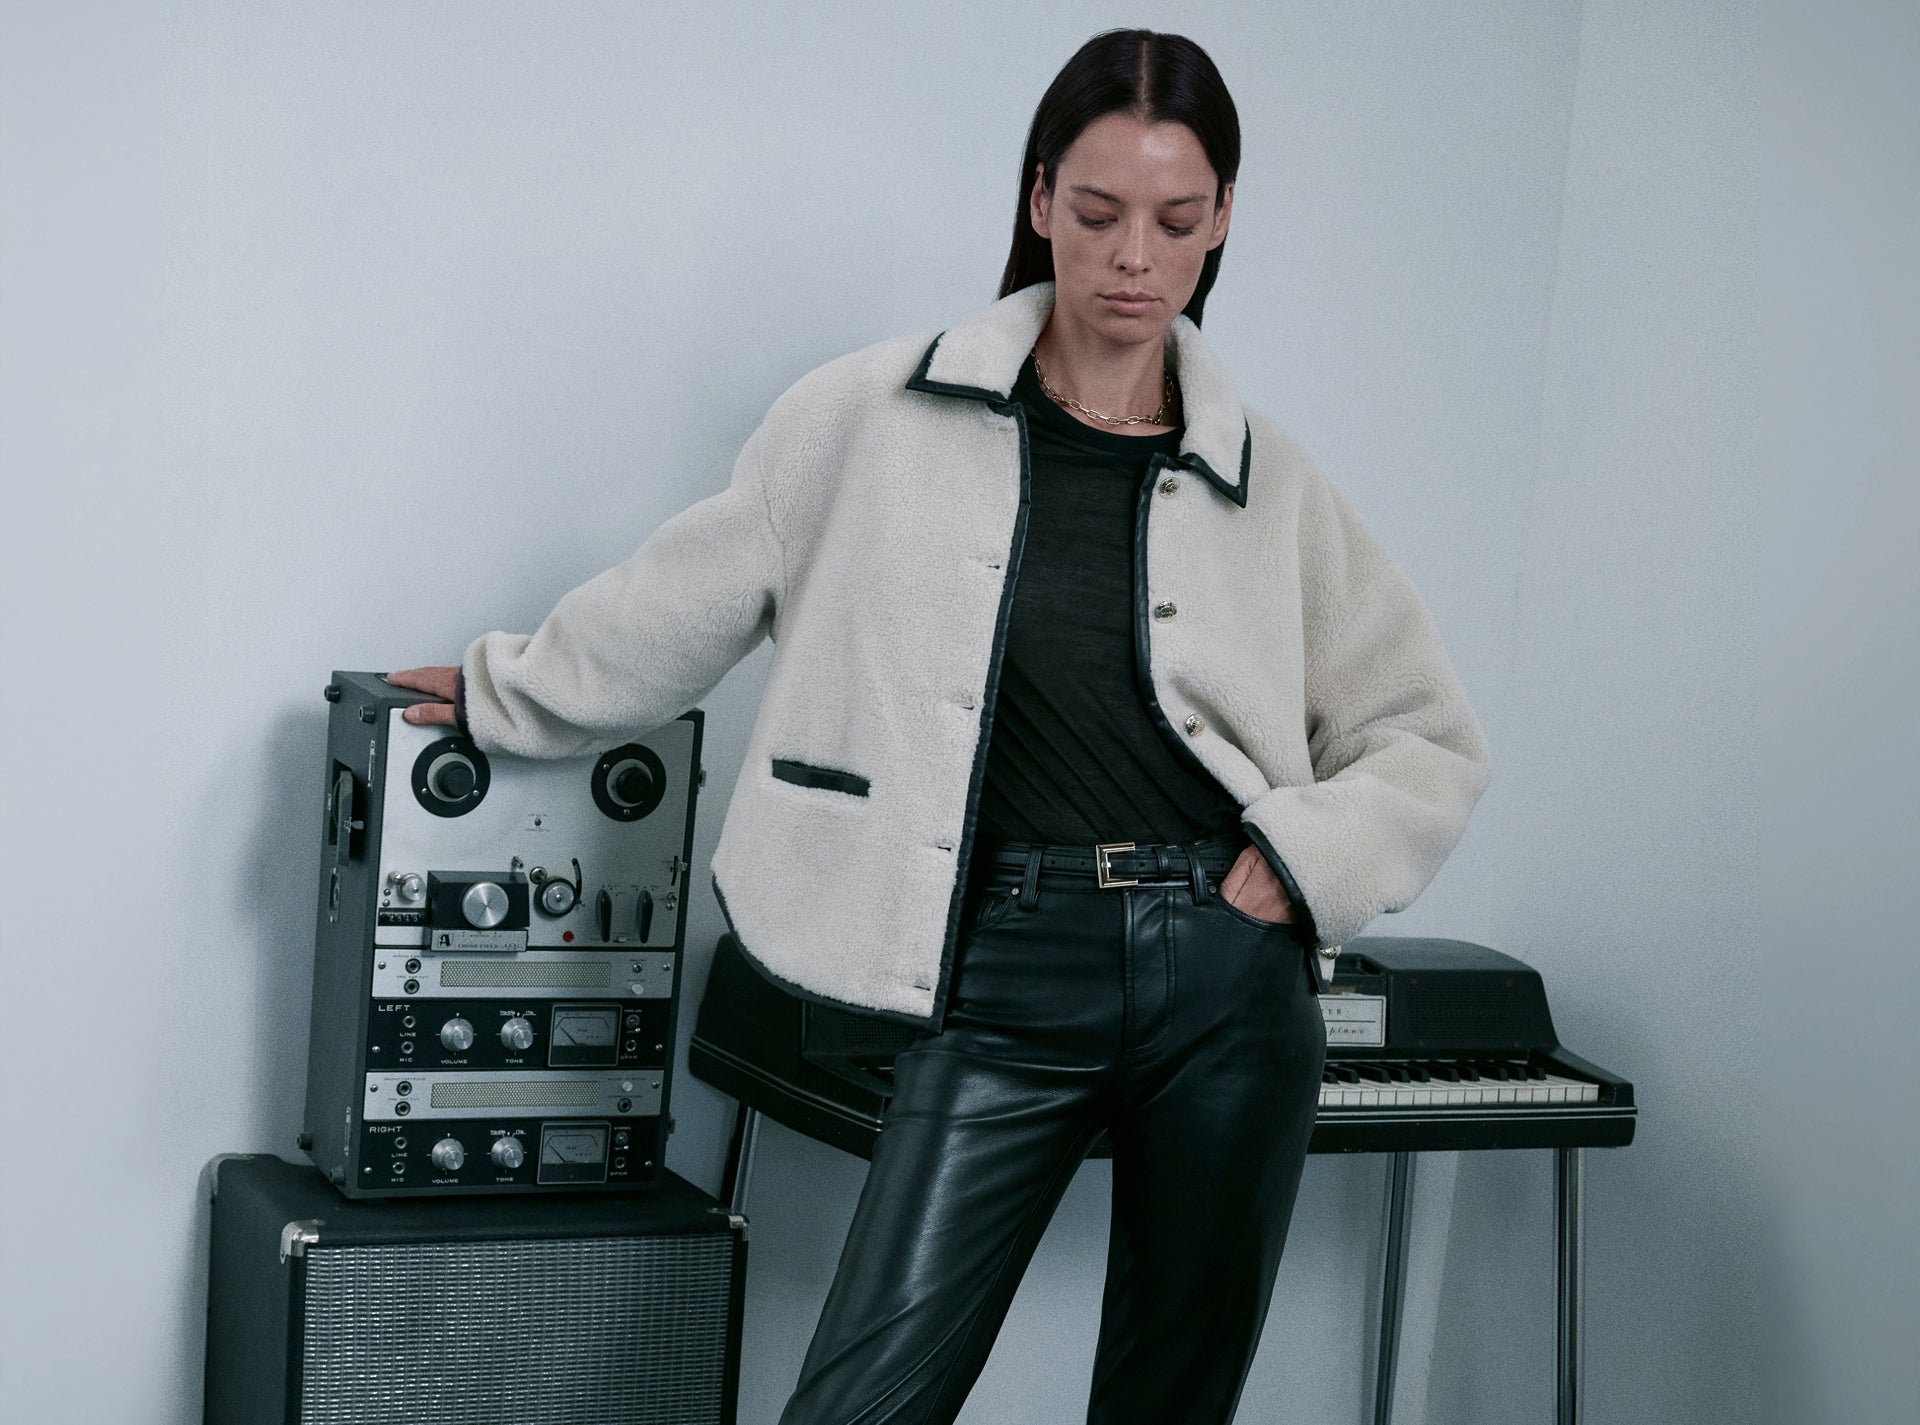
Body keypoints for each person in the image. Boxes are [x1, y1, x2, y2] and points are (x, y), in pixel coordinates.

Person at [390, 27, 1489, 1425]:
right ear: (1039, 200)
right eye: (1096, 214)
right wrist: (505, 689)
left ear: (1222, 225)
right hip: (1007, 968)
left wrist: (1299, 857)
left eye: (1175, 220)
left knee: (1173, 1402)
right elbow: (690, 592)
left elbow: (1426, 734)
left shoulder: (1267, 481)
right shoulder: (875, 414)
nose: (1132, 257)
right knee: (867, 1398)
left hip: (1228, 978)